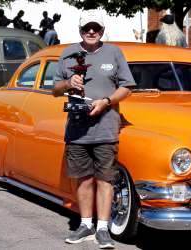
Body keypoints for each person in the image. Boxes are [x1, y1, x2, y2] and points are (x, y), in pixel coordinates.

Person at [52, 10, 136, 249]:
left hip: (106, 128)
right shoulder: (68, 53)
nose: (91, 32)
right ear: (80, 30)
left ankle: (103, 228)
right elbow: (55, 89)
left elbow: (127, 87)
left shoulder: (114, 53)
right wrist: (69, 83)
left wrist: (106, 102)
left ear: (102, 31)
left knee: (105, 179)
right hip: (77, 129)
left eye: (96, 28)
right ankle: (86, 224)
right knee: (83, 179)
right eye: (87, 28)